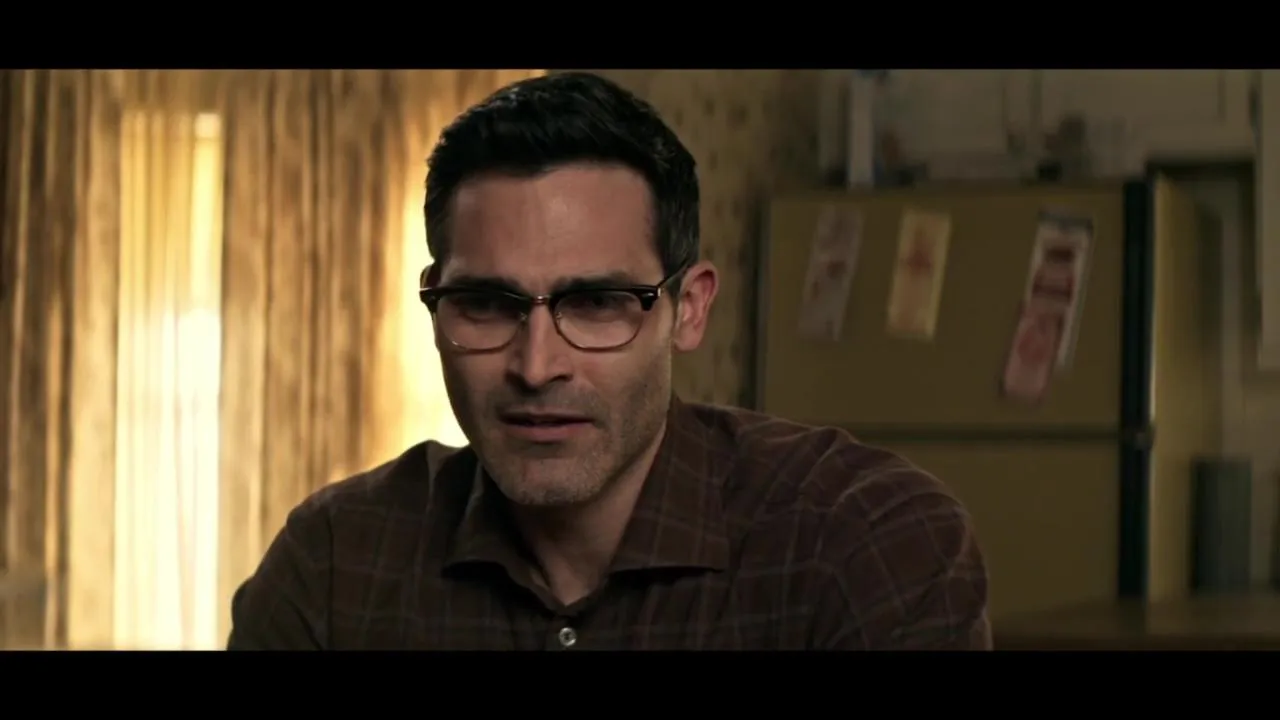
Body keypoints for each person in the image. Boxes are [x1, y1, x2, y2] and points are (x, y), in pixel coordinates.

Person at [227, 71, 991, 651]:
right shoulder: (338, 564)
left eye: (596, 302)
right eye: (487, 303)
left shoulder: (860, 542)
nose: (537, 366)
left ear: (689, 309)